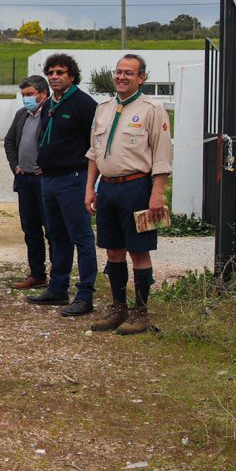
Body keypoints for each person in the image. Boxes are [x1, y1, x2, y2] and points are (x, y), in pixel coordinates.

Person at [84, 54, 172, 334]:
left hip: (137, 187)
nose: (122, 77)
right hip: (108, 188)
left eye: (129, 73)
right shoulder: (103, 108)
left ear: (141, 78)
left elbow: (161, 156)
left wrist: (157, 194)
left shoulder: (152, 109)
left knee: (139, 249)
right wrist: (90, 188)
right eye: (119, 72)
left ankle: (141, 312)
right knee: (113, 250)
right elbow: (94, 153)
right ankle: (118, 308)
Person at [28, 53, 99, 316]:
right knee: (56, 236)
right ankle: (58, 287)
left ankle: (85, 294)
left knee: (81, 237)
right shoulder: (49, 105)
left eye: (60, 72)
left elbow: (94, 145)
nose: (54, 77)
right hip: (49, 179)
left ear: (71, 75)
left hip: (74, 178)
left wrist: (92, 183)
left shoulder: (83, 104)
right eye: (50, 72)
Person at [4, 76, 50, 290]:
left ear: (43, 94)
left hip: (45, 181)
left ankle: (59, 277)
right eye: (24, 95)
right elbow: (9, 141)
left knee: (52, 230)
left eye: (30, 94)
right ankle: (37, 274)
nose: (27, 99)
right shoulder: (22, 115)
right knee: (31, 229)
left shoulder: (51, 114)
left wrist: (48, 166)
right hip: (25, 180)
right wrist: (16, 166)